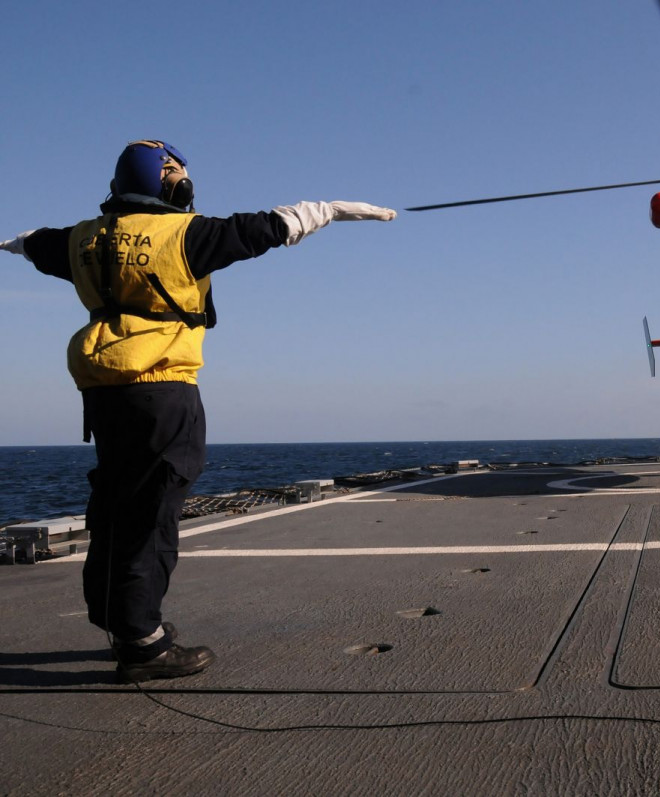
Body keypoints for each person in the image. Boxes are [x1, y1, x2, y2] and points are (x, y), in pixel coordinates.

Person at [0, 140, 395, 683]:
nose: (186, 182)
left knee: (115, 507)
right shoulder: (184, 235)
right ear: (166, 181)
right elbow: (270, 227)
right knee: (152, 514)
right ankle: (143, 644)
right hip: (162, 387)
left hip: (103, 390)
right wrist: (332, 209)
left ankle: (121, 621)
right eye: (179, 173)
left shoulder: (82, 239)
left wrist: (8, 243)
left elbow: (30, 242)